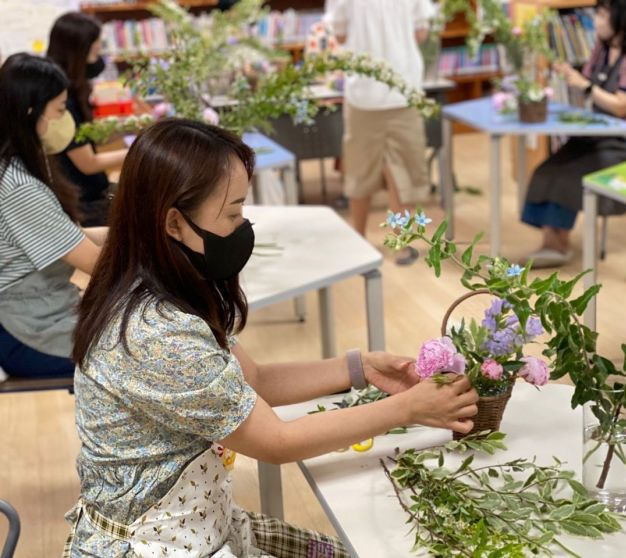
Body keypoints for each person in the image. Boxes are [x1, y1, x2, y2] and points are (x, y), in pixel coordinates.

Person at [64, 118, 478, 556]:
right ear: (173, 223)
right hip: (157, 545)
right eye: (233, 213)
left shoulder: (157, 283)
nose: (243, 226)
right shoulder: (157, 336)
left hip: (199, 524)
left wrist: (359, 369)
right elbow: (276, 442)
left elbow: (253, 380)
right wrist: (407, 407)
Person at [520, 0, 626, 268]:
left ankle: (558, 245)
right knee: (545, 171)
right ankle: (552, 241)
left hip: (625, 144)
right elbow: (587, 80)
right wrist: (571, 77)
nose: (597, 21)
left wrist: (584, 86)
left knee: (568, 177)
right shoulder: (602, 48)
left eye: (603, 15)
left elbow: (621, 106)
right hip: (594, 134)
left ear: (622, 15)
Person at [0, 54, 103, 379]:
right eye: (60, 110)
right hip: (29, 331)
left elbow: (73, 237)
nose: (65, 119)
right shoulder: (18, 186)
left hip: (42, 310)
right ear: (31, 111)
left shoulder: (19, 165)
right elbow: (98, 264)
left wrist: (137, 231)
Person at [326, 0, 433, 265]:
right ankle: (401, 244)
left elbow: (339, 35)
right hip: (404, 88)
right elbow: (421, 33)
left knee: (360, 168)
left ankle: (359, 238)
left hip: (362, 92)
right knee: (402, 170)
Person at [47, 11, 128, 227]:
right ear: (79, 49)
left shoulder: (74, 91)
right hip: (85, 204)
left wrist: (134, 128)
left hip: (92, 195)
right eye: (95, 46)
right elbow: (88, 163)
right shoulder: (62, 102)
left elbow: (88, 136)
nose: (100, 51)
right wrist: (137, 150)